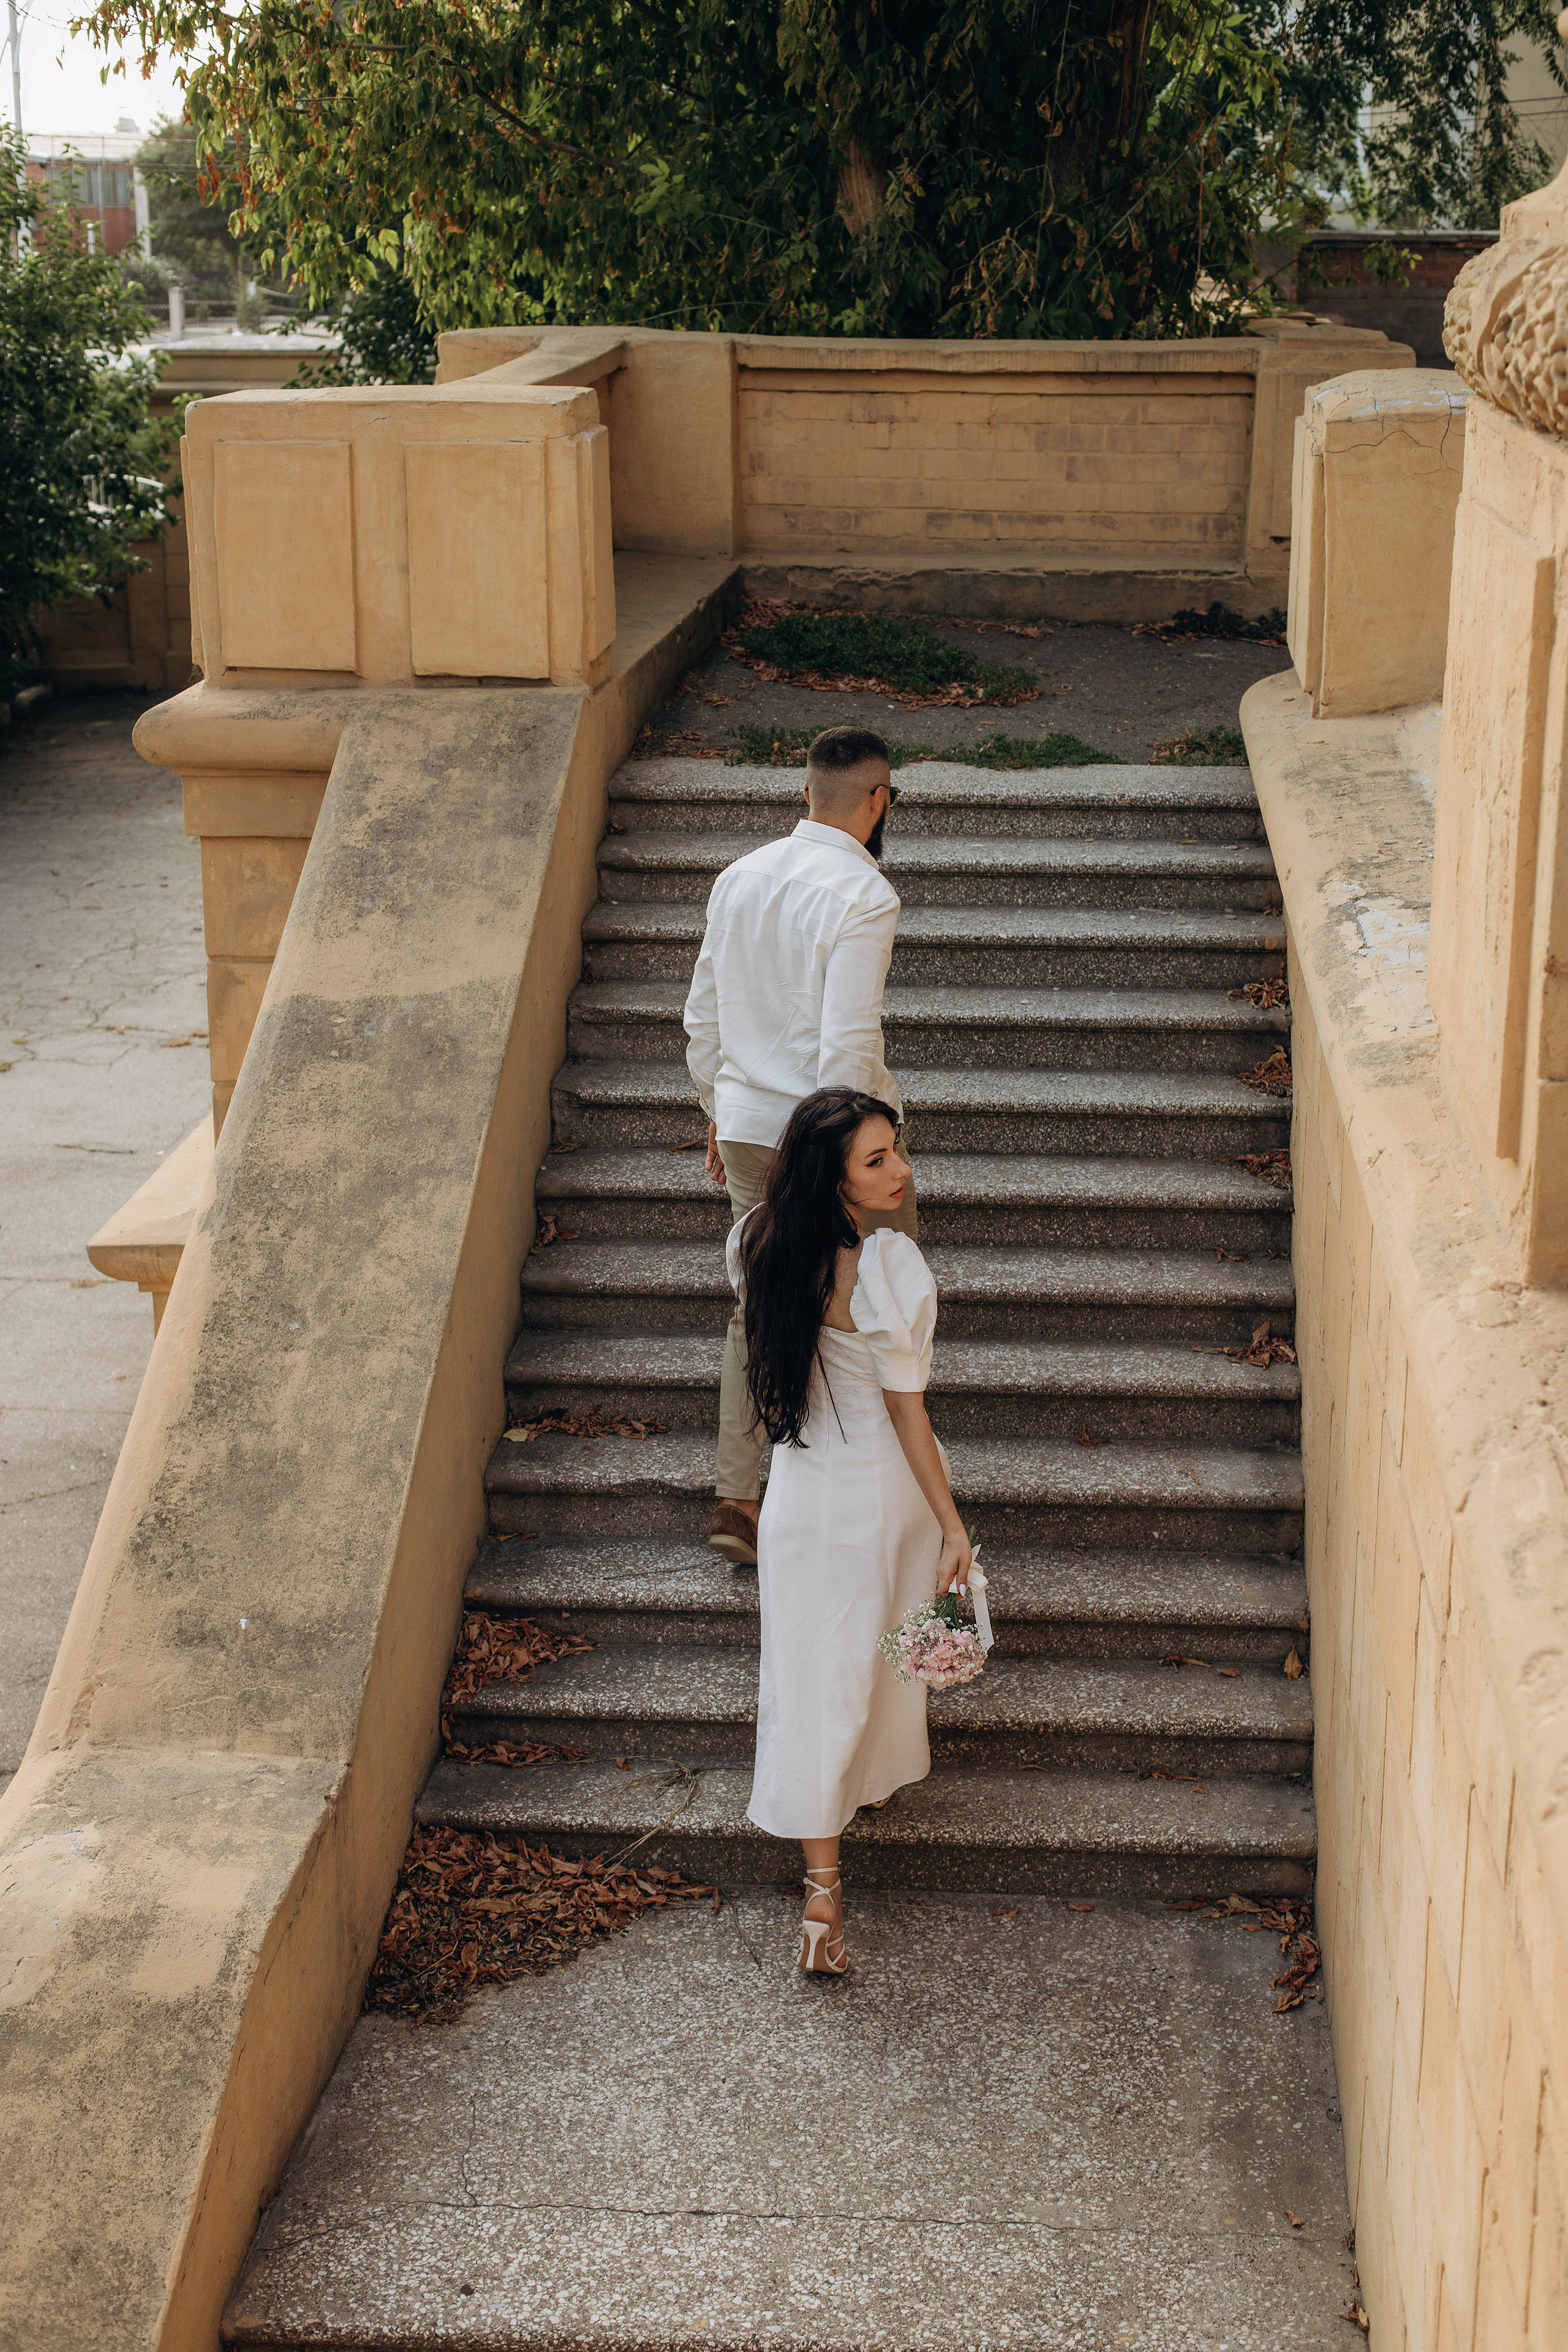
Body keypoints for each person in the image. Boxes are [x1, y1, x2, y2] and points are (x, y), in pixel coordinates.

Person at [728, 1088, 971, 1975]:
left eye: (895, 1147)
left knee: (811, 1677)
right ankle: (856, 1796)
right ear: (832, 1179)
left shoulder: (754, 1244)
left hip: (800, 1499)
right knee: (875, 1662)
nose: (900, 1168)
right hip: (880, 1496)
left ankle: (821, 1892)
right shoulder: (891, 1266)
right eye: (876, 1160)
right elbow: (908, 1413)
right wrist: (953, 1526)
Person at [683, 724, 916, 1570]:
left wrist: (721, 1109)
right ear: (878, 800)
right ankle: (869, 1493)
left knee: (762, 1302)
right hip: (827, 1136)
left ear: (805, 793)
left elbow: (703, 1016)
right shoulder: (865, 894)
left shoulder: (738, 876)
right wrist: (848, 1156)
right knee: (873, 1299)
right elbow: (848, 1046)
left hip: (750, 1126)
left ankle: (738, 1499)